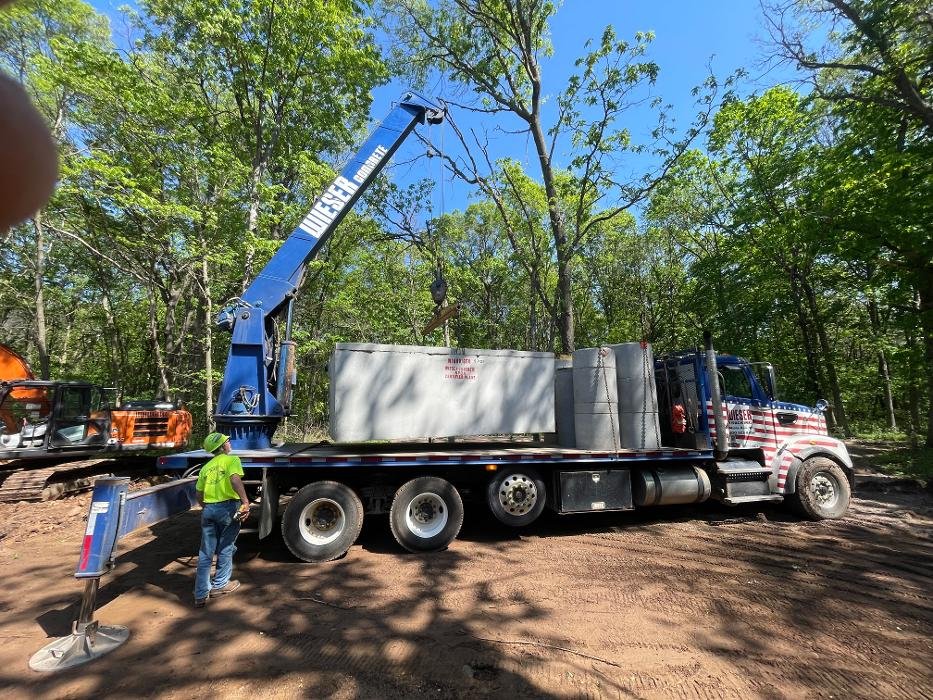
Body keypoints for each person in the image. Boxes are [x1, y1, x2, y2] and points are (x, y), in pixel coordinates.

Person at [194, 432, 250, 607]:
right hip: (228, 508)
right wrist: (245, 501)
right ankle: (220, 585)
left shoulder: (205, 468)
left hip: (209, 509)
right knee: (226, 547)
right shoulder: (231, 460)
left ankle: (200, 595)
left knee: (205, 553)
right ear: (222, 447)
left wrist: (206, 508)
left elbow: (199, 493)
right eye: (227, 441)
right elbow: (234, 480)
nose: (230, 443)